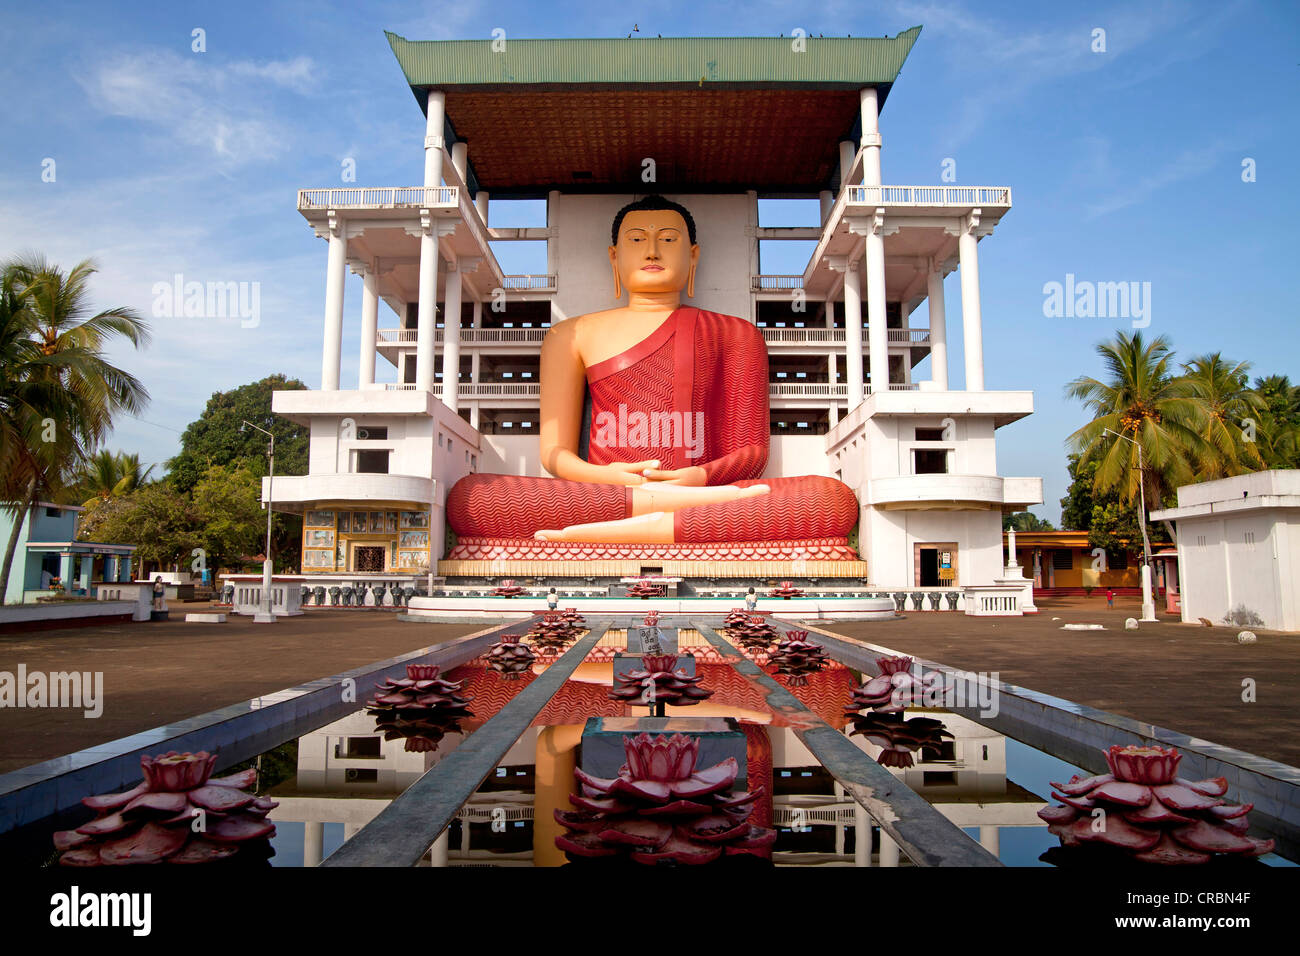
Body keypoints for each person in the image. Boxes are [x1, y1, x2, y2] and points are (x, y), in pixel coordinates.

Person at [446, 195, 857, 545]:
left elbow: (752, 453)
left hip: (708, 489)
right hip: (605, 491)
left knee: (828, 498)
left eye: (669, 240)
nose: (652, 251)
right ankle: (671, 520)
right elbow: (555, 456)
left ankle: (612, 529)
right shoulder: (570, 334)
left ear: (692, 255)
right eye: (637, 239)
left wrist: (698, 477)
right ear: (615, 256)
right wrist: (606, 477)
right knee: (474, 498)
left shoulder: (736, 333)